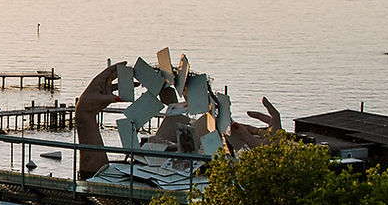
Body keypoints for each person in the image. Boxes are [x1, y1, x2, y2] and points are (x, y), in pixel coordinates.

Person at [74, 60, 281, 179]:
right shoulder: (180, 125)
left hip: (194, 180)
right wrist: (85, 117)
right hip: (163, 178)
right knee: (176, 124)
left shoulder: (227, 132)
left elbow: (91, 180)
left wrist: (273, 149)